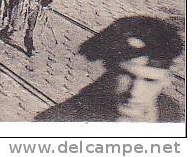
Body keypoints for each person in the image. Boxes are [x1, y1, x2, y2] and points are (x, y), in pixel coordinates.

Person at [36, 16, 183, 122]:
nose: (134, 92)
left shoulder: (170, 113)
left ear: (167, 80)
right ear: (109, 69)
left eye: (150, 80)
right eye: (127, 75)